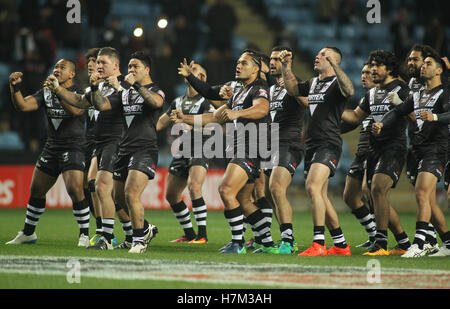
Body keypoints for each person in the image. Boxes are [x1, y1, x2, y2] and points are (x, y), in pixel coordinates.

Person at [171, 51, 279, 254]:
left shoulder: (259, 88)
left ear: (256, 69)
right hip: (242, 147)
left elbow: (262, 109)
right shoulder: (238, 92)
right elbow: (215, 117)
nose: (238, 65)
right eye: (238, 62)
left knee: (226, 190)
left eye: (244, 63)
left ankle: (237, 243)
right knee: (245, 201)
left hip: (252, 147)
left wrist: (237, 113)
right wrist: (184, 118)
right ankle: (268, 243)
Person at [53, 47, 156, 251]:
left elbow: (102, 105)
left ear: (115, 66)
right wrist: (58, 90)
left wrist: (93, 89)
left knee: (101, 187)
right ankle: (139, 230)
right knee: (108, 191)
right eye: (97, 63)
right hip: (100, 143)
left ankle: (106, 236)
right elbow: (81, 102)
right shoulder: (102, 85)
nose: (98, 66)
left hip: (116, 141)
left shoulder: (125, 85)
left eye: (103, 63)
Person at [6, 59, 91, 247]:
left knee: (75, 190)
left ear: (72, 74)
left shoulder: (80, 93)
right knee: (36, 190)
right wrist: (15, 89)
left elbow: (76, 111)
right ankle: (28, 233)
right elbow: (23, 106)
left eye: (62, 67)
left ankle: (84, 235)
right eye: (56, 67)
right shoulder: (46, 91)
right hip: (52, 147)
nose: (57, 70)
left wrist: (57, 91)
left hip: (74, 147)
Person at [373, 51, 450, 257]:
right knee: (429, 201)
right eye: (422, 63)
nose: (423, 66)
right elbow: (397, 111)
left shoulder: (445, 92)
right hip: (416, 149)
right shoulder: (417, 94)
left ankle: (419, 243)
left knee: (422, 193)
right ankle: (449, 243)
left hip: (436, 149)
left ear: (439, 70)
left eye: (428, 63)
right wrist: (382, 122)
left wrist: (434, 116)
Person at [280, 46, 354, 256]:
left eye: (323, 54)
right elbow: (293, 89)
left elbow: (349, 90)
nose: (317, 56)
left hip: (328, 143)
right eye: (318, 53)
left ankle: (318, 243)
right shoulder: (313, 83)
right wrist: (287, 66)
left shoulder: (337, 83)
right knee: (320, 194)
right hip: (311, 145)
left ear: (333, 60)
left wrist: (336, 67)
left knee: (312, 187)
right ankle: (340, 245)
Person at [341, 49, 411, 256]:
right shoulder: (372, 93)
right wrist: (333, 109)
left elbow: (416, 120)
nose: (371, 70)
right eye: (370, 66)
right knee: (373, 193)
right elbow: (355, 117)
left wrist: (401, 105)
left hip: (394, 148)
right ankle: (402, 243)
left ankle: (380, 244)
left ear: (388, 68)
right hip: (374, 149)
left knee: (378, 189)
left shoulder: (402, 89)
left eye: (375, 66)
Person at [157, 61, 213, 244]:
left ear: (202, 78)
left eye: (194, 70)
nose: (190, 71)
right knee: (171, 195)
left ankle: (202, 235)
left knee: (194, 186)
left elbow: (213, 124)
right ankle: (189, 234)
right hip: (181, 150)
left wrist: (188, 124)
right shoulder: (177, 102)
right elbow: (159, 124)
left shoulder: (207, 102)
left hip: (201, 147)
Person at [263, 46, 307, 254]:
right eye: (271, 59)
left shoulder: (295, 83)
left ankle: (288, 241)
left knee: (276, 188)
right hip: (271, 144)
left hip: (289, 143)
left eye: (277, 60)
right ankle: (284, 237)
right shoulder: (272, 89)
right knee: (267, 193)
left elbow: (306, 102)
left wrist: (290, 79)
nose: (272, 63)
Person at [403, 44, 439, 251]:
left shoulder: (440, 86)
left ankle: (423, 241)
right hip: (416, 143)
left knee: (425, 192)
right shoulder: (413, 84)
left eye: (416, 60)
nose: (411, 63)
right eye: (410, 60)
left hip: (435, 145)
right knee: (424, 194)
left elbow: (420, 117)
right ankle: (432, 239)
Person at [341, 63, 377, 249]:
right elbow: (353, 120)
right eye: (362, 72)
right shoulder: (367, 99)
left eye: (368, 73)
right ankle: (373, 234)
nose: (363, 76)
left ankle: (390, 238)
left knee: (370, 193)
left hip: (376, 152)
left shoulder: (386, 96)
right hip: (361, 153)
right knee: (349, 196)